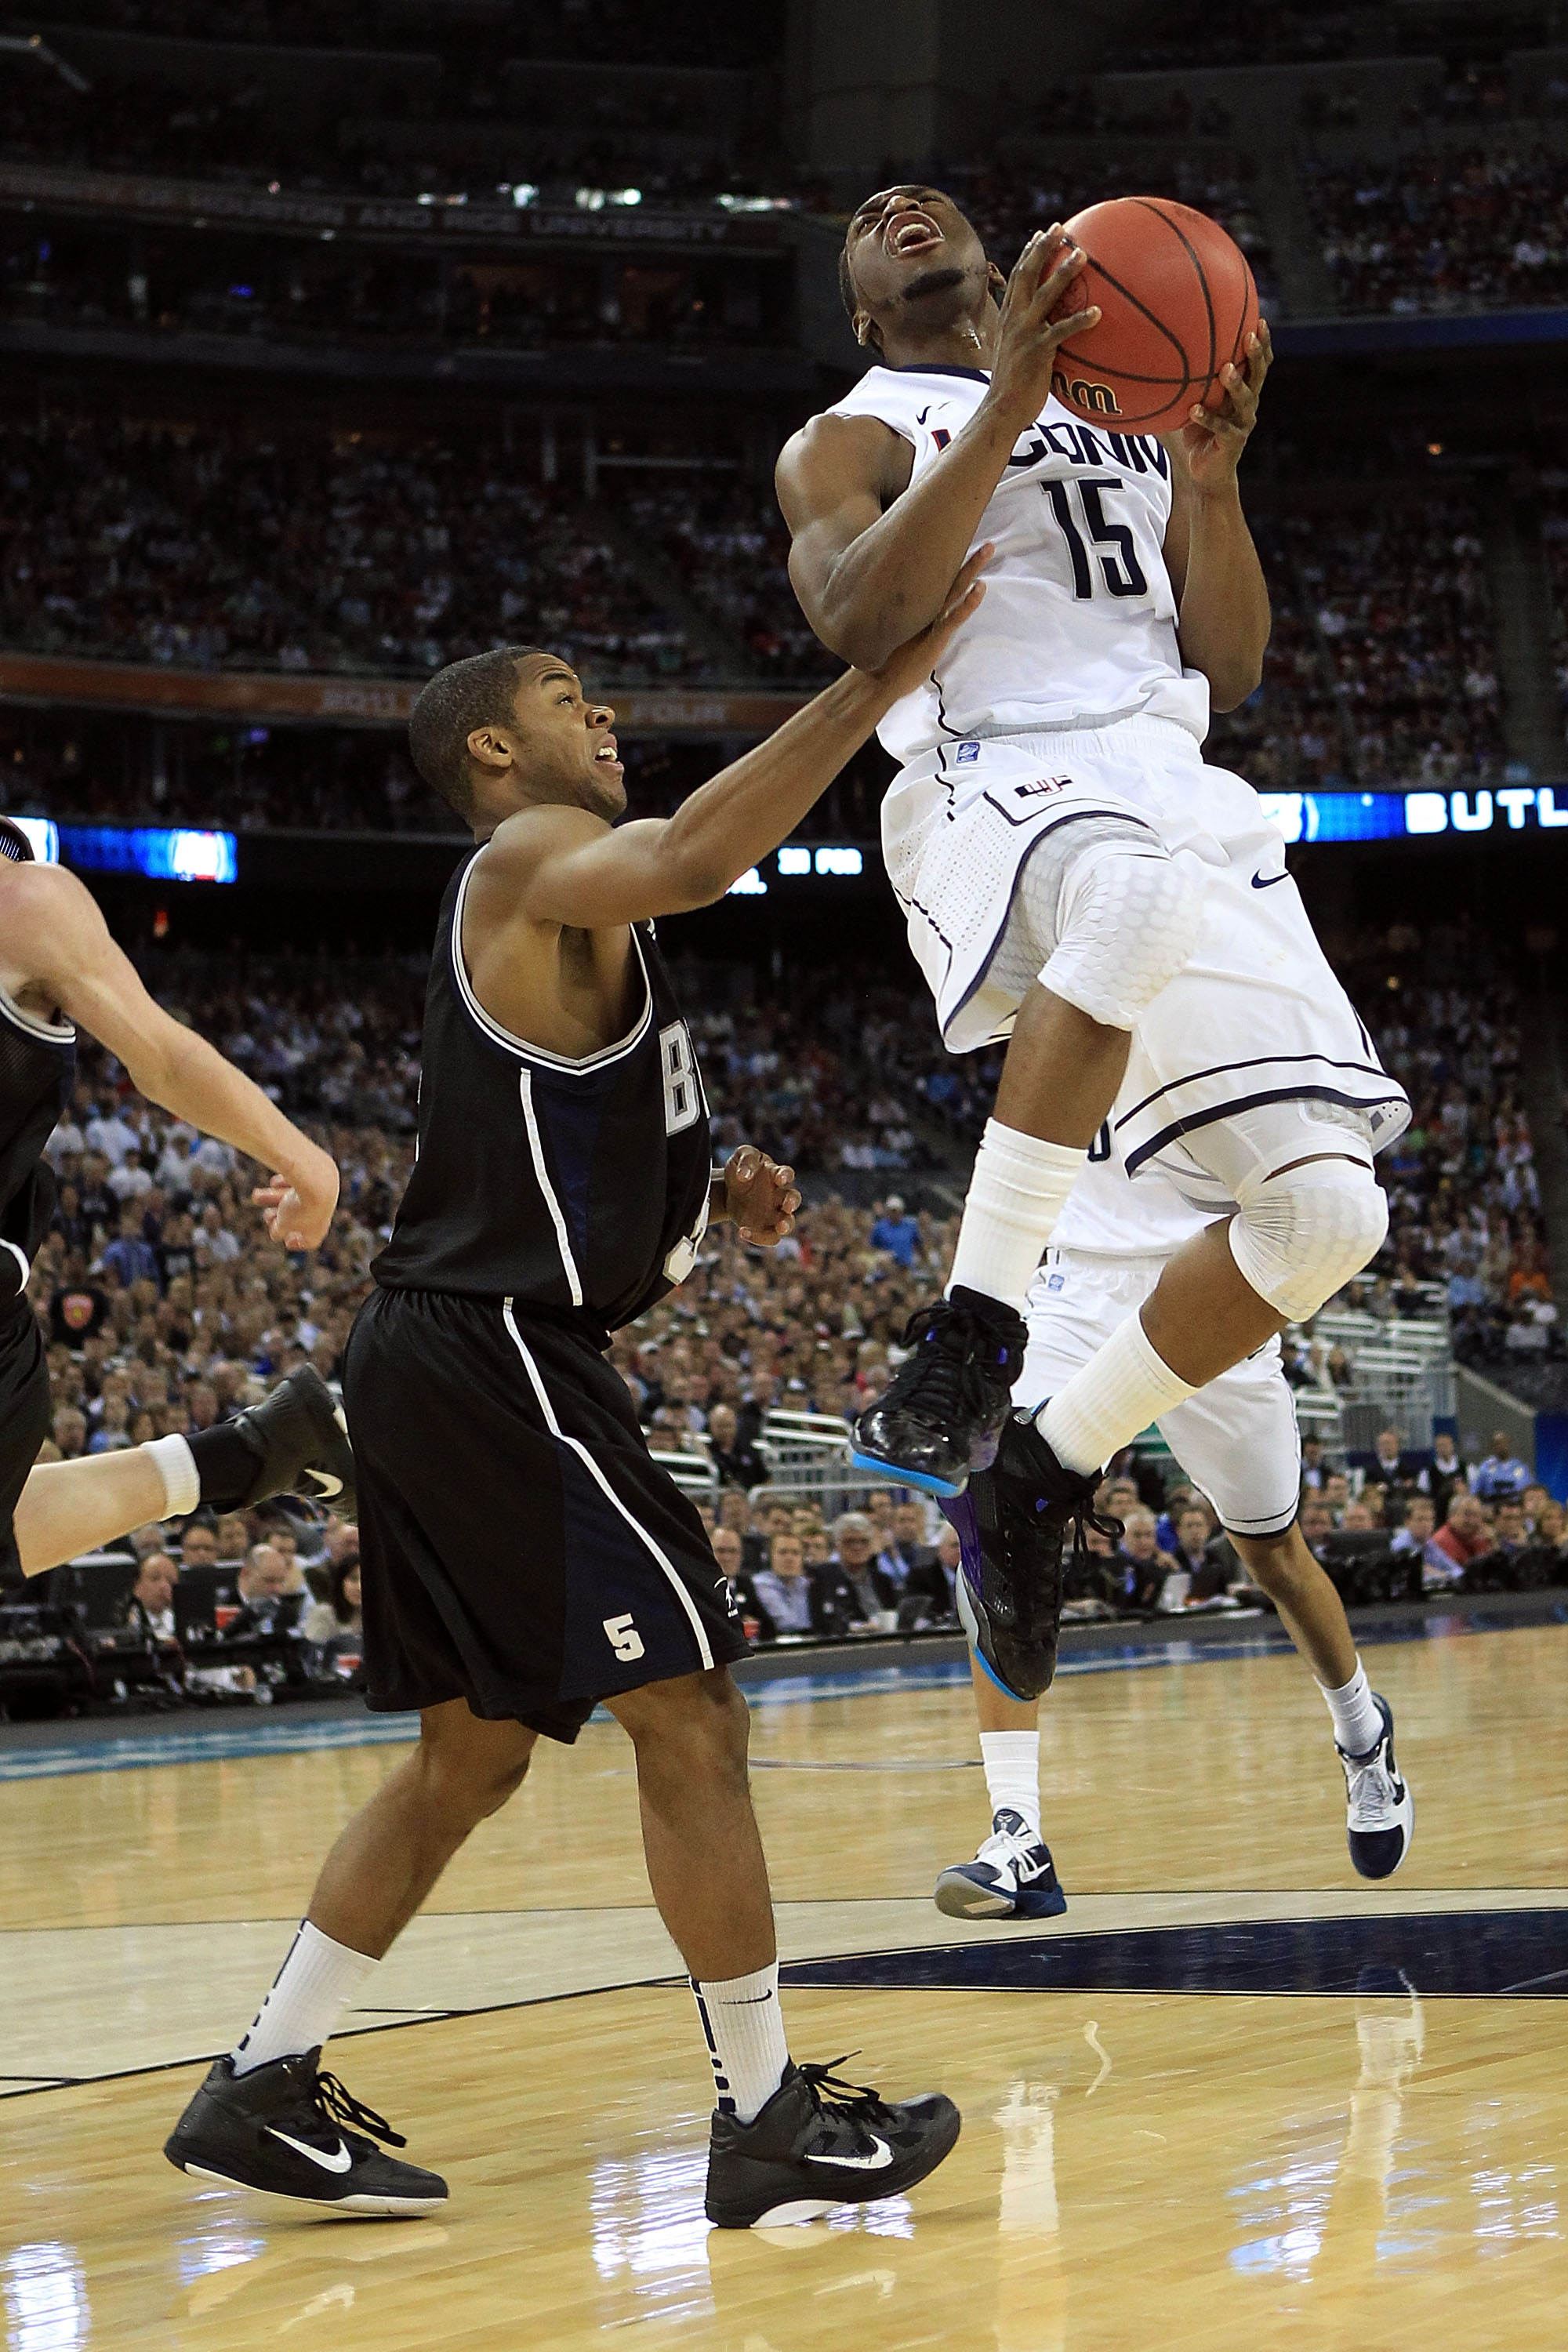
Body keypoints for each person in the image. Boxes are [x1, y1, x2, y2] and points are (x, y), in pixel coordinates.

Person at [164, 626, 976, 2230]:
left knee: (466, 1757)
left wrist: (705, 1216)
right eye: (559, 699)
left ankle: (263, 2077)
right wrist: (873, 687)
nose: (597, 715)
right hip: (484, 1357)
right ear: (489, 751)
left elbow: (599, 1264)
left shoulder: (587, 922)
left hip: (465, 1349)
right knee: (690, 1714)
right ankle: (761, 2117)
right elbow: (696, 852)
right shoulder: (532, 855)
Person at [776, 185, 1408, 1579]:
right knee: (1125, 894)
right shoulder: (848, 439)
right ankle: (973, 1328)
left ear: (1000, 264)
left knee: (1327, 1214)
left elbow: (1228, 668)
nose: (899, 204)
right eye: (874, 218)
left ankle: (1046, 1464)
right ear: (863, 310)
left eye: (929, 199)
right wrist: (1004, 399)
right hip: (994, 775)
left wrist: (1213, 481)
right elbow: (864, 620)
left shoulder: (1129, 416)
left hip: (1171, 783)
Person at [932, 1134, 1414, 1922]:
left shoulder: (1235, 1012)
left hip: (1213, 1280)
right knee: (998, 1522)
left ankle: (1362, 1733)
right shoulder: (1052, 1007)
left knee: (1272, 1555)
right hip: (1074, 1284)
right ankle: (1015, 1832)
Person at [0, 818, 357, 1591]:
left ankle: (248, 1453)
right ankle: (248, 1452)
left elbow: (162, 1058)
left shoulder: (23, 903)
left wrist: (304, 1160)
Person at [1469, 1431, 1531, 1502]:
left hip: (1516, 1507)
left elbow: (1528, 1490)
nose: (1502, 1446)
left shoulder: (1520, 1466)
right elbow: (1474, 1492)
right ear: (1492, 1447)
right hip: (1492, 1507)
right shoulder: (1485, 1467)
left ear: (1510, 1445)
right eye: (1498, 1444)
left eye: (1505, 1443)